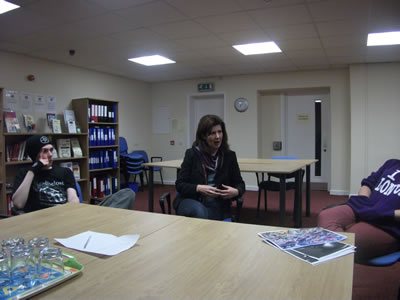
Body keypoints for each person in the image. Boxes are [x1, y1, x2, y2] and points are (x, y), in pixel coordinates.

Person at [12, 135, 135, 212]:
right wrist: (33, 171)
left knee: (127, 194)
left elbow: (72, 198)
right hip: (46, 220)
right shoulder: (25, 173)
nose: (50, 154)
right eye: (44, 151)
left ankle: (100, 223)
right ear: (35, 154)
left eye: (51, 150)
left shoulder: (64, 172)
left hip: (69, 214)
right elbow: (18, 204)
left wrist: (74, 210)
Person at [318, 159, 400, 263]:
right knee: (326, 216)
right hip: (365, 208)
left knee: (352, 237)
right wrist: (364, 203)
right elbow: (368, 183)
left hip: (389, 222)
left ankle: (335, 270)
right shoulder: (392, 163)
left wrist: (385, 213)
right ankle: (335, 257)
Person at [174, 114, 245, 220]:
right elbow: (180, 185)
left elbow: (240, 184)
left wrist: (236, 191)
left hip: (218, 203)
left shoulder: (229, 156)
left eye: (220, 132)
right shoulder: (192, 154)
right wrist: (198, 188)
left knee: (209, 217)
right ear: (203, 136)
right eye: (212, 133)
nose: (217, 136)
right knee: (199, 212)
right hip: (191, 200)